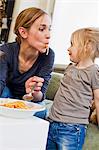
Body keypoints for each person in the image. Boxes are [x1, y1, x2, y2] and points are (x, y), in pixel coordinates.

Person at [46, 27, 99, 150]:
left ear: (88, 47)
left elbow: (97, 98)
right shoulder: (70, 68)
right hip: (52, 122)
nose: (68, 48)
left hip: (72, 128)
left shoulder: (94, 72)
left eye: (72, 44)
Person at [0, 7, 55, 118]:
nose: (48, 35)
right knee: (4, 93)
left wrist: (34, 92)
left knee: (41, 113)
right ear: (23, 32)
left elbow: (40, 96)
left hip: (26, 99)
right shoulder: (5, 52)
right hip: (6, 94)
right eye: (41, 29)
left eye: (49, 29)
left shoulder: (48, 56)